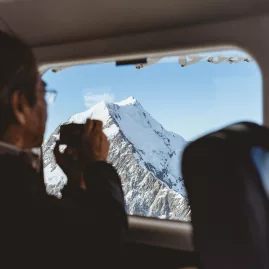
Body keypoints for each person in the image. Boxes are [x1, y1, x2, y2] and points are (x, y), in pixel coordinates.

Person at [0, 31, 127, 268]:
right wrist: (98, 165)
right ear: (20, 106)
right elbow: (106, 243)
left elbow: (55, 230)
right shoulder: (12, 184)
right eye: (42, 93)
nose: (46, 106)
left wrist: (75, 180)